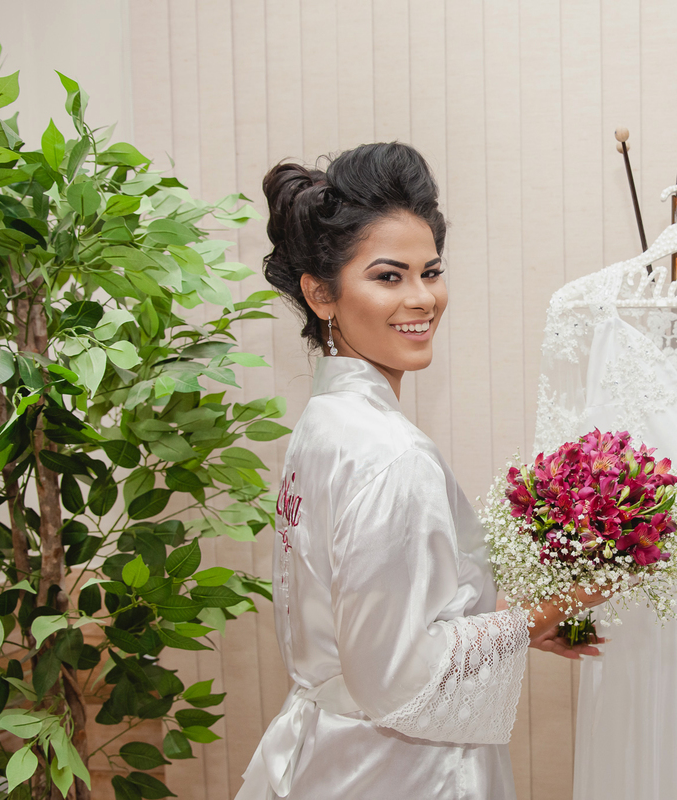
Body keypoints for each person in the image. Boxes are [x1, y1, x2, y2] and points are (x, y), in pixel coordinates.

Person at [236, 142, 601, 799]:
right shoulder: (390, 456)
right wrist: (539, 616)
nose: (422, 298)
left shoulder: (324, 424)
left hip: (330, 753)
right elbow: (399, 674)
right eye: (388, 276)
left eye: (430, 272)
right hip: (401, 774)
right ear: (322, 294)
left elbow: (376, 621)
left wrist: (501, 628)